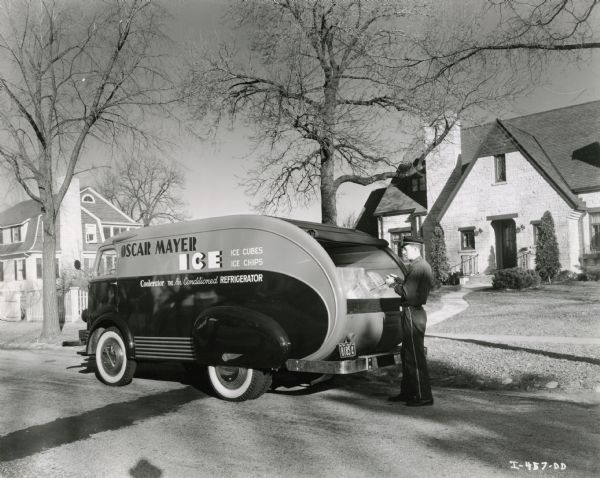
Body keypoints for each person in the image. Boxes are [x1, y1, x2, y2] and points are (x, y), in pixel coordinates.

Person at [385, 237, 434, 407]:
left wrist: (393, 285)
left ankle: (423, 396)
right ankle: (408, 393)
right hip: (414, 313)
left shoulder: (417, 267)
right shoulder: (421, 266)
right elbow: (412, 287)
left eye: (404, 249)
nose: (402, 252)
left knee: (414, 356)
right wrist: (399, 281)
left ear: (414, 249)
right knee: (408, 355)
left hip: (412, 313)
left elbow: (408, 294)